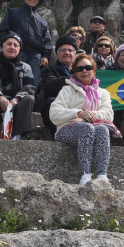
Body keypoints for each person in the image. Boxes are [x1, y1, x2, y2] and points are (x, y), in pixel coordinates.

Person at [50, 53, 114, 185]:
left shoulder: (103, 93)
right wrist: (78, 113)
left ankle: (102, 176)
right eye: (79, 69)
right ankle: (85, 175)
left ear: (94, 71)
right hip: (66, 129)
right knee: (87, 128)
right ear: (74, 72)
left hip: (92, 127)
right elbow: (54, 113)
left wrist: (86, 117)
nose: (84, 71)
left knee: (102, 129)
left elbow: (108, 115)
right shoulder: (67, 90)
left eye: (88, 67)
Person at [0, 32, 35, 140]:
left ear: (19, 49)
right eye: (9, 44)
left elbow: (30, 87)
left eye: (16, 45)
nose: (12, 47)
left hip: (17, 104)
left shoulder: (26, 67)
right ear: (2, 46)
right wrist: (0, 96)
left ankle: (18, 134)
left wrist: (16, 99)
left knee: (29, 98)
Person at [0, 0, 52, 86]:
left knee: (33, 84)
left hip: (35, 56)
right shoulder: (13, 13)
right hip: (17, 53)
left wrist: (46, 56)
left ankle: (30, 101)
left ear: (39, 0)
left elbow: (47, 41)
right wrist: (7, 48)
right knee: (14, 80)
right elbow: (2, 32)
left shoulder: (43, 22)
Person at [37, 36, 78, 137]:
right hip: (56, 110)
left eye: (70, 50)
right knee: (51, 101)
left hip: (75, 108)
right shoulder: (49, 70)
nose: (67, 53)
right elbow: (50, 87)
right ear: (57, 53)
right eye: (63, 50)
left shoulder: (81, 71)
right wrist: (72, 79)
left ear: (75, 54)